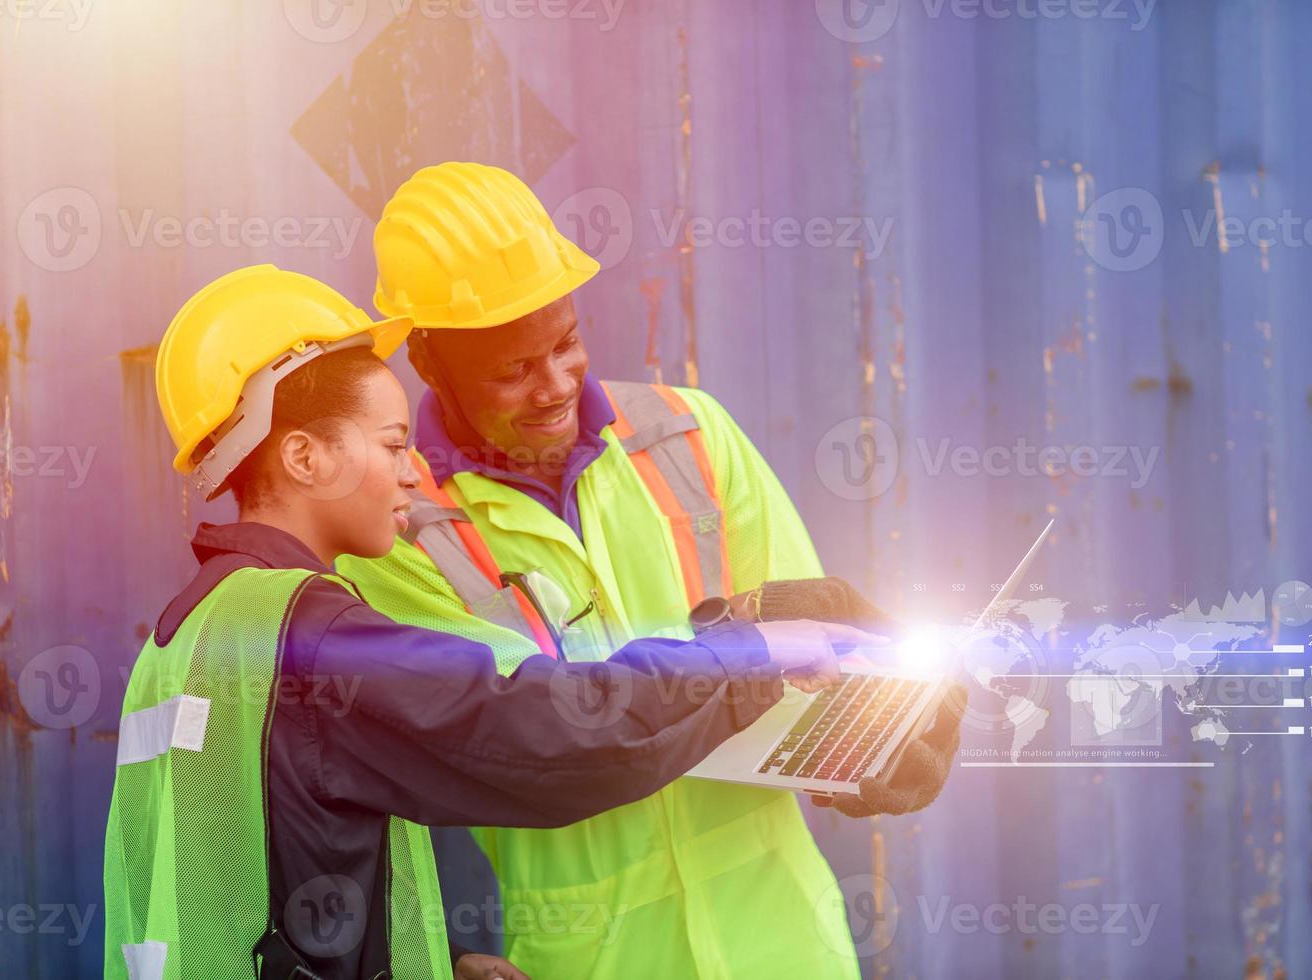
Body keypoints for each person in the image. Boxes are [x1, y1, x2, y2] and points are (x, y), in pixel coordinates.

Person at [101, 264, 885, 980]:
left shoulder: (189, 633)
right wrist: (746, 656)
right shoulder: (313, 638)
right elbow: (549, 731)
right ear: (306, 460)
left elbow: (243, 878)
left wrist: (437, 967)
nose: (415, 471)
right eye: (391, 444)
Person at [336, 162, 966, 978]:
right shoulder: (405, 535)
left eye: (565, 344)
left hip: (783, 945)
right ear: (430, 360)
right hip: (600, 959)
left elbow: (813, 668)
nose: (556, 385)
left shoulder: (688, 435)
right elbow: (537, 746)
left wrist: (883, 737)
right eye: (512, 369)